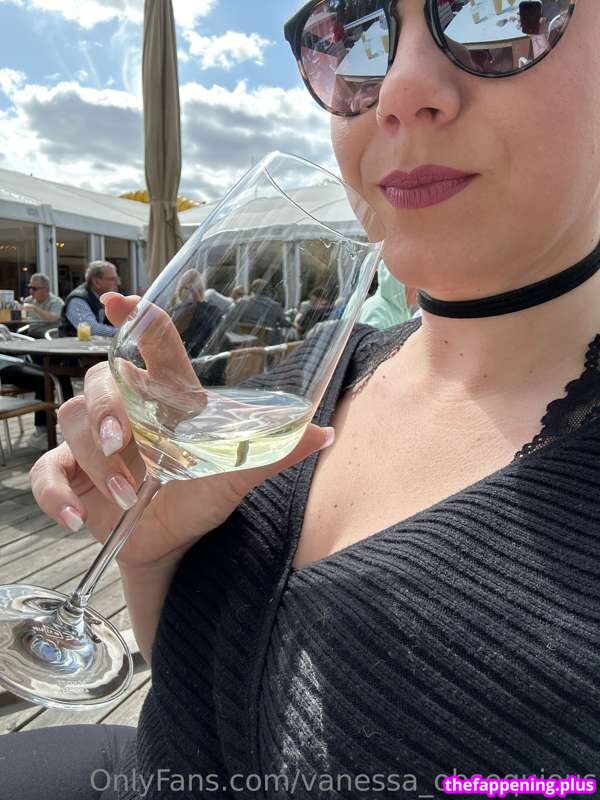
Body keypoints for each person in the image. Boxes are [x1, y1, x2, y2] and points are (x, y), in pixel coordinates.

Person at [8, 1, 600, 797]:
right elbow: (198, 706)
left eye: (495, 14)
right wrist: (153, 549)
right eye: (356, 33)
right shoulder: (318, 376)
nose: (399, 89)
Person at [218, 277, 290, 345]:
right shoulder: (275, 305)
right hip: (267, 343)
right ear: (268, 290)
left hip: (243, 341)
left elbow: (229, 319)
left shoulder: (242, 302)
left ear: (252, 290)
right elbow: (285, 323)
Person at [58, 260, 120, 337]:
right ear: (96, 282)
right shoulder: (78, 299)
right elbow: (92, 329)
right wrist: (122, 333)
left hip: (92, 343)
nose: (118, 283)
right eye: (112, 279)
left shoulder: (101, 297)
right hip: (72, 344)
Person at [170, 269, 224, 358]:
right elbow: (216, 344)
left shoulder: (176, 311)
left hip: (187, 360)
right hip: (205, 360)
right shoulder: (213, 311)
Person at [358, 262, 415, 329]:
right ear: (396, 282)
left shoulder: (403, 311)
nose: (419, 287)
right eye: (413, 280)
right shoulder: (377, 310)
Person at [21, 273, 63, 338]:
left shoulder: (56, 302)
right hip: (30, 335)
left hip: (48, 337)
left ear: (46, 290)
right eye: (30, 288)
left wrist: (35, 308)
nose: (31, 291)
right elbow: (21, 318)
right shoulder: (29, 300)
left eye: (34, 289)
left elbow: (53, 318)